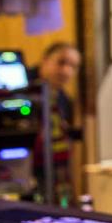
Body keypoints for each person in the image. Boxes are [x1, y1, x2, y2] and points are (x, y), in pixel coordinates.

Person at [30, 41, 82, 202]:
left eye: (73, 67)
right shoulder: (24, 89)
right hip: (26, 170)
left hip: (54, 169)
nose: (66, 71)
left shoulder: (64, 99)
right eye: (61, 62)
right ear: (45, 60)